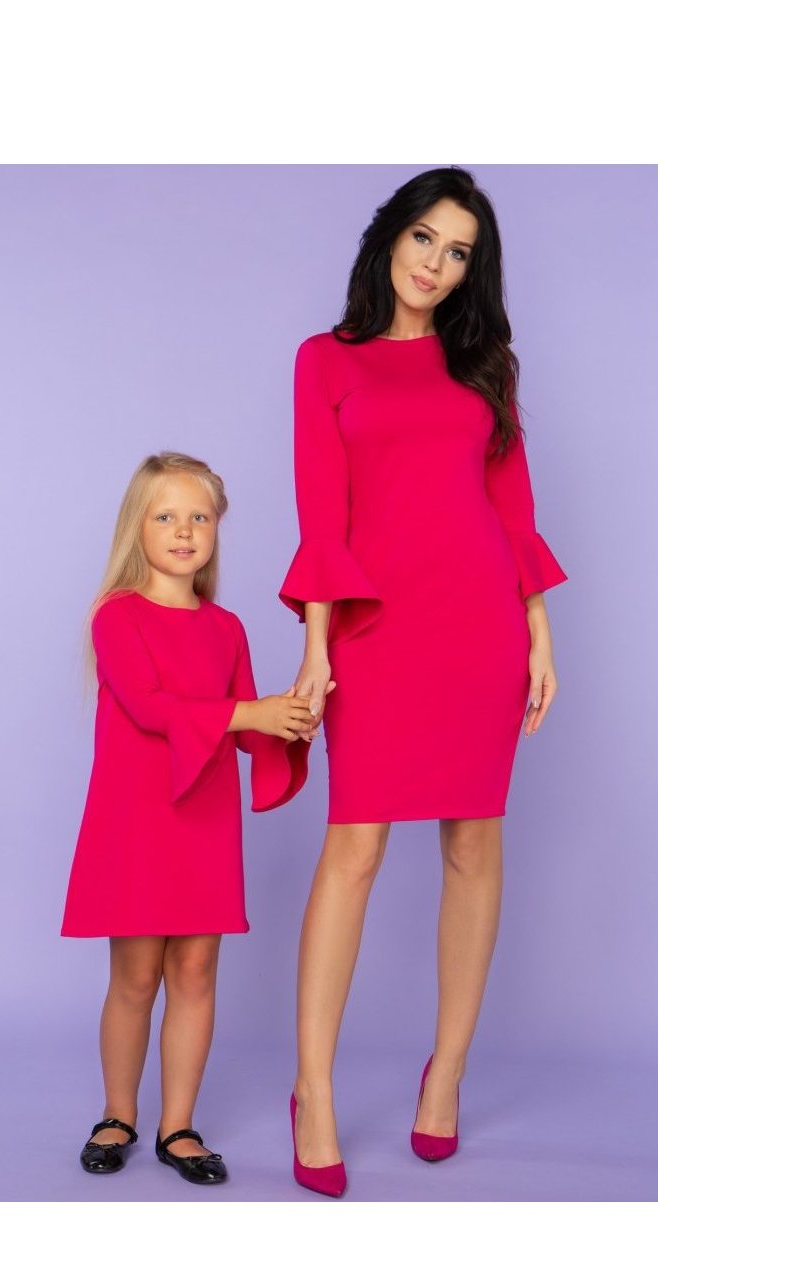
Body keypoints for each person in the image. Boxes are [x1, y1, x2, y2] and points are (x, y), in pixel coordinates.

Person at [279, 167, 568, 1196]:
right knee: (353, 848)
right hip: (374, 626)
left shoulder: (484, 367)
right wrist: (318, 646)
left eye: (458, 253)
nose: (436, 264)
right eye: (424, 239)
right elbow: (322, 511)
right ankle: (313, 1088)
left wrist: (537, 632)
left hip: (478, 625)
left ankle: (445, 1072)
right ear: (389, 237)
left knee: (473, 844)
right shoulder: (325, 360)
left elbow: (512, 507)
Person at [63, 451, 313, 1186]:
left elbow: (246, 728)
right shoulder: (116, 616)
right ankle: (118, 1112)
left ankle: (178, 1125)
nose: (183, 530)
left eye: (199, 517)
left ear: (216, 531)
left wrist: (293, 717)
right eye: (166, 515)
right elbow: (150, 707)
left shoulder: (227, 627)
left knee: (197, 969)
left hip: (204, 817)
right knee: (136, 974)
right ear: (136, 527)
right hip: (137, 818)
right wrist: (252, 712)